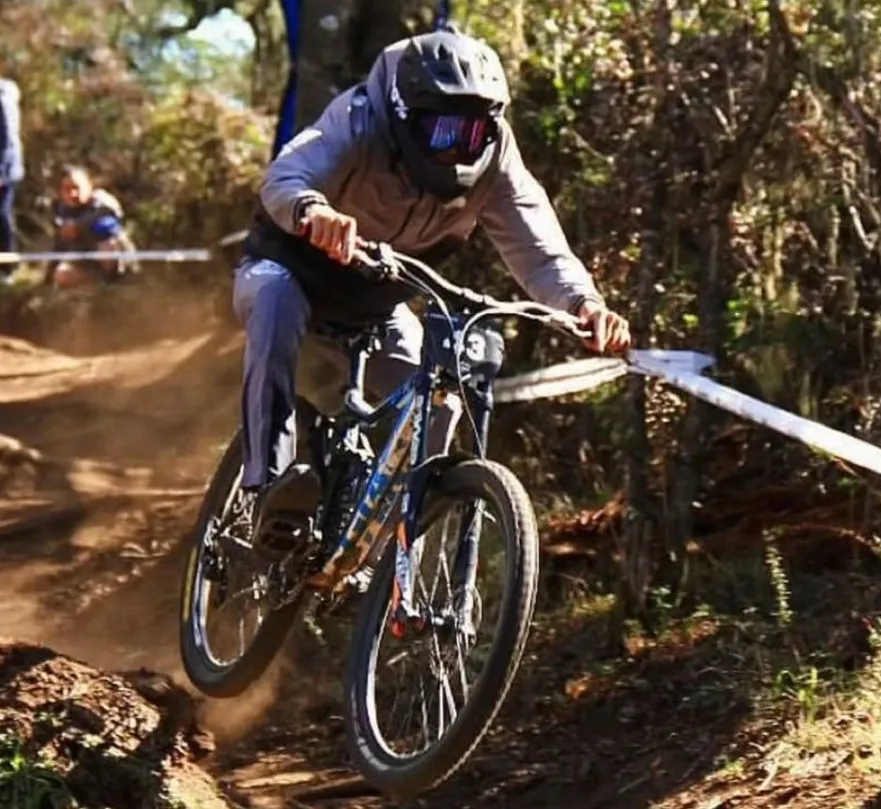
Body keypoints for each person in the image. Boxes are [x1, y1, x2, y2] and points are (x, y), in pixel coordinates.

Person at [235, 26, 631, 549]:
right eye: (443, 133)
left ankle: (377, 554)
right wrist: (314, 211)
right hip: (287, 270)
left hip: (378, 305)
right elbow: (287, 174)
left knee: (440, 400)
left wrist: (585, 303)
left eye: (471, 136)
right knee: (277, 302)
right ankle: (266, 484)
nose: (456, 153)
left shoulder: (496, 159)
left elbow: (539, 249)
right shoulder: (359, 118)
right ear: (403, 116)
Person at [46, 165, 138, 288]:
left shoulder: (102, 200)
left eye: (76, 188)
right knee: (62, 275)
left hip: (119, 263)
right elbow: (58, 246)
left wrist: (79, 226)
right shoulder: (62, 211)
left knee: (104, 229)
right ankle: (94, 290)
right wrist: (48, 277)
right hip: (86, 265)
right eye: (67, 189)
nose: (73, 194)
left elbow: (110, 211)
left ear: (89, 186)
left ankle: (114, 283)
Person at [0, 67, 24, 284]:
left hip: (5, 169)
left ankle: (8, 269)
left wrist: (1, 172)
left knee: (2, 215)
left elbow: (7, 138)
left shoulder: (3, 95)